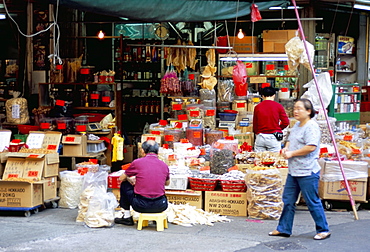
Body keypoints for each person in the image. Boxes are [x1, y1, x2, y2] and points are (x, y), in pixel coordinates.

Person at [269, 98, 331, 240]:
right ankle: (283, 228)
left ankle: (323, 229)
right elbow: (290, 140)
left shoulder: (311, 126)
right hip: (293, 170)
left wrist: (292, 153)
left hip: (307, 170)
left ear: (309, 111)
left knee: (312, 201)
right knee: (288, 200)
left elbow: (311, 147)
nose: (295, 111)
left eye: (299, 109)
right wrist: (286, 148)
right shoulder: (297, 125)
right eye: (294, 108)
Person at [114, 140, 170, 226]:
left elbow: (121, 178)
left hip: (141, 205)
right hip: (161, 205)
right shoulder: (164, 165)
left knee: (125, 184)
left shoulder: (138, 162)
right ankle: (155, 218)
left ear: (143, 151)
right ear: (157, 152)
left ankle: (126, 217)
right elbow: (167, 183)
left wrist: (130, 179)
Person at [253, 86, 290, 152]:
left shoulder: (257, 107)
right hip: (274, 137)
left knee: (259, 159)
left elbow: (255, 124)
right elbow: (286, 122)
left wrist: (257, 133)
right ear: (274, 95)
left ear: (262, 96)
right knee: (275, 159)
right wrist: (278, 128)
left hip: (260, 137)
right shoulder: (278, 106)